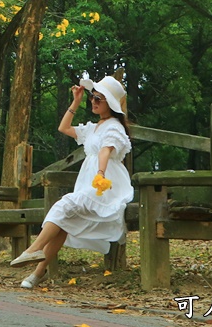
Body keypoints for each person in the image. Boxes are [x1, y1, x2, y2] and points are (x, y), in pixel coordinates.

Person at [9, 75, 134, 289]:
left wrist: (101, 174)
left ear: (110, 104)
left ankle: (33, 250)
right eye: (92, 97)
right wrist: (75, 101)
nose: (93, 102)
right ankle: (37, 274)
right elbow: (64, 128)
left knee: (65, 205)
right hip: (88, 183)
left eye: (99, 99)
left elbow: (105, 151)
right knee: (64, 223)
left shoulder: (114, 127)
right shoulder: (94, 127)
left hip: (105, 185)